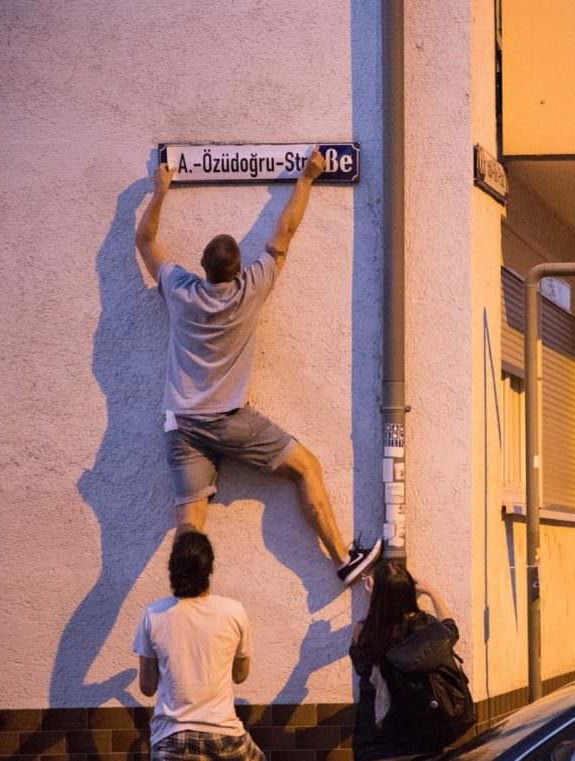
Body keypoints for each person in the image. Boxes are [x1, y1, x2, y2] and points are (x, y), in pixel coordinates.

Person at [135, 147, 380, 584]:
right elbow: (284, 231)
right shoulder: (252, 288)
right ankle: (344, 558)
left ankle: (184, 604)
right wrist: (306, 177)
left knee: (190, 528)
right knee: (306, 467)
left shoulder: (179, 289)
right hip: (231, 421)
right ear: (238, 268)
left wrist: (160, 192)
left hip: (184, 426)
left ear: (202, 268)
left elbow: (146, 242)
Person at [133, 532, 264, 761]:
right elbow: (240, 676)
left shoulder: (153, 614)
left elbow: (147, 686)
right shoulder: (233, 612)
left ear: (172, 569)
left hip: (170, 739)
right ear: (209, 568)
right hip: (224, 735)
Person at [349, 561, 458, 761]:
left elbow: (362, 665)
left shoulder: (364, 632)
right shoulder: (425, 628)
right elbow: (450, 629)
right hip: (423, 743)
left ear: (377, 595)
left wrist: (376, 600)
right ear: (409, 592)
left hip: (376, 745)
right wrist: (431, 592)